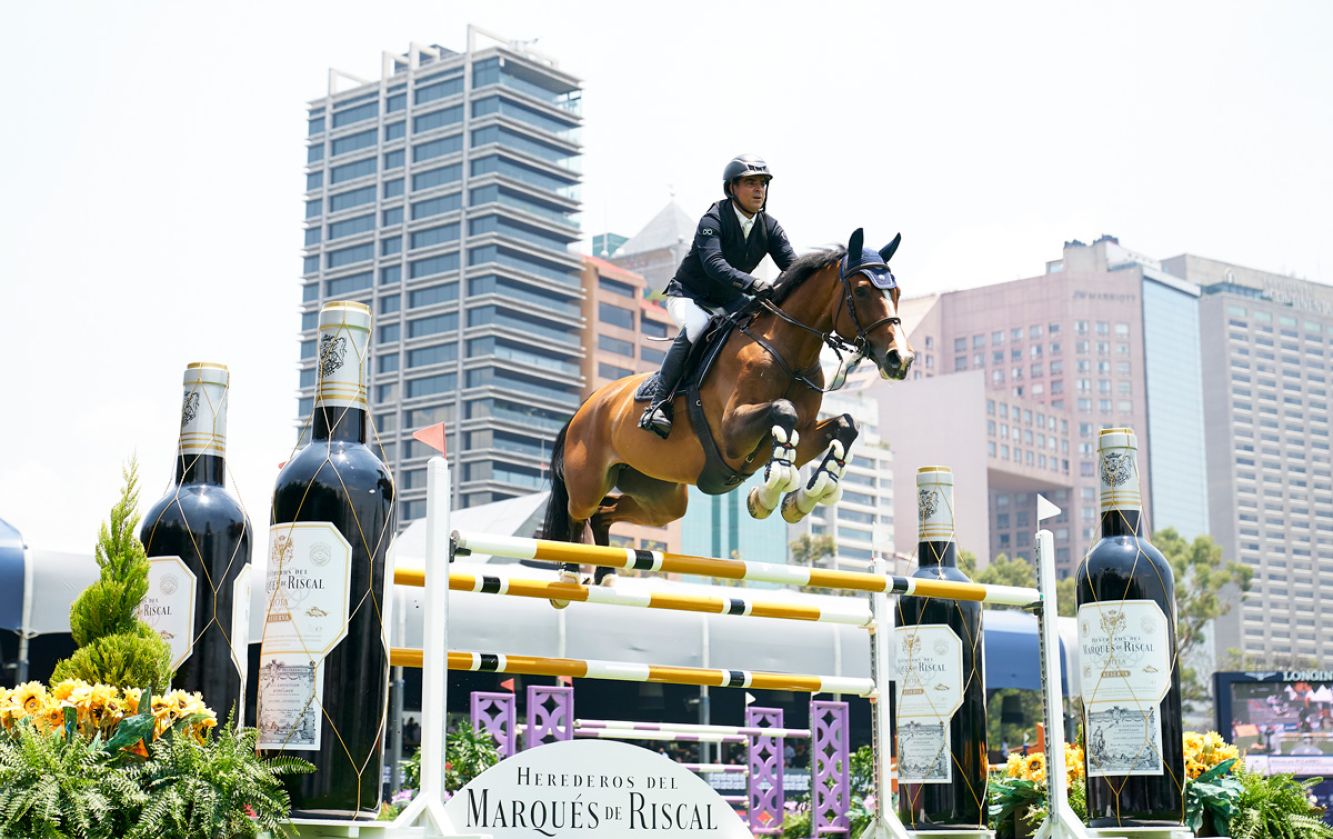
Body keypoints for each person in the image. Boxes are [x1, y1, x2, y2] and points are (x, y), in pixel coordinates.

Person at [638, 154, 800, 437]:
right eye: (750, 183)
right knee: (698, 327)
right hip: (690, 295)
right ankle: (658, 404)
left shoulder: (770, 227)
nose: (758, 189)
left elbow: (793, 267)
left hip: (730, 300)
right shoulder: (713, 219)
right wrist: (752, 284)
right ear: (732, 188)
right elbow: (715, 265)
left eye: (762, 183)